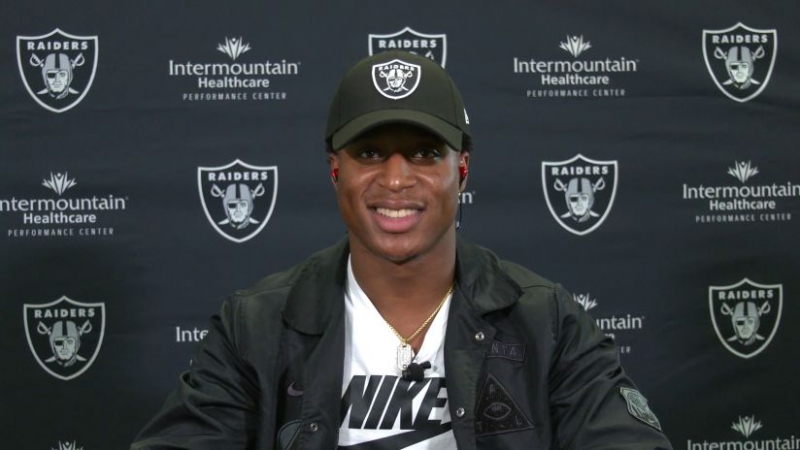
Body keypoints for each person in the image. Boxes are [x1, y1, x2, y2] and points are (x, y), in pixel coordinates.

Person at [131, 50, 673, 449]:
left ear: (462, 170)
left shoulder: (546, 321)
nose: (395, 180)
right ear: (335, 170)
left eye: (424, 153)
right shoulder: (256, 326)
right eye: (370, 153)